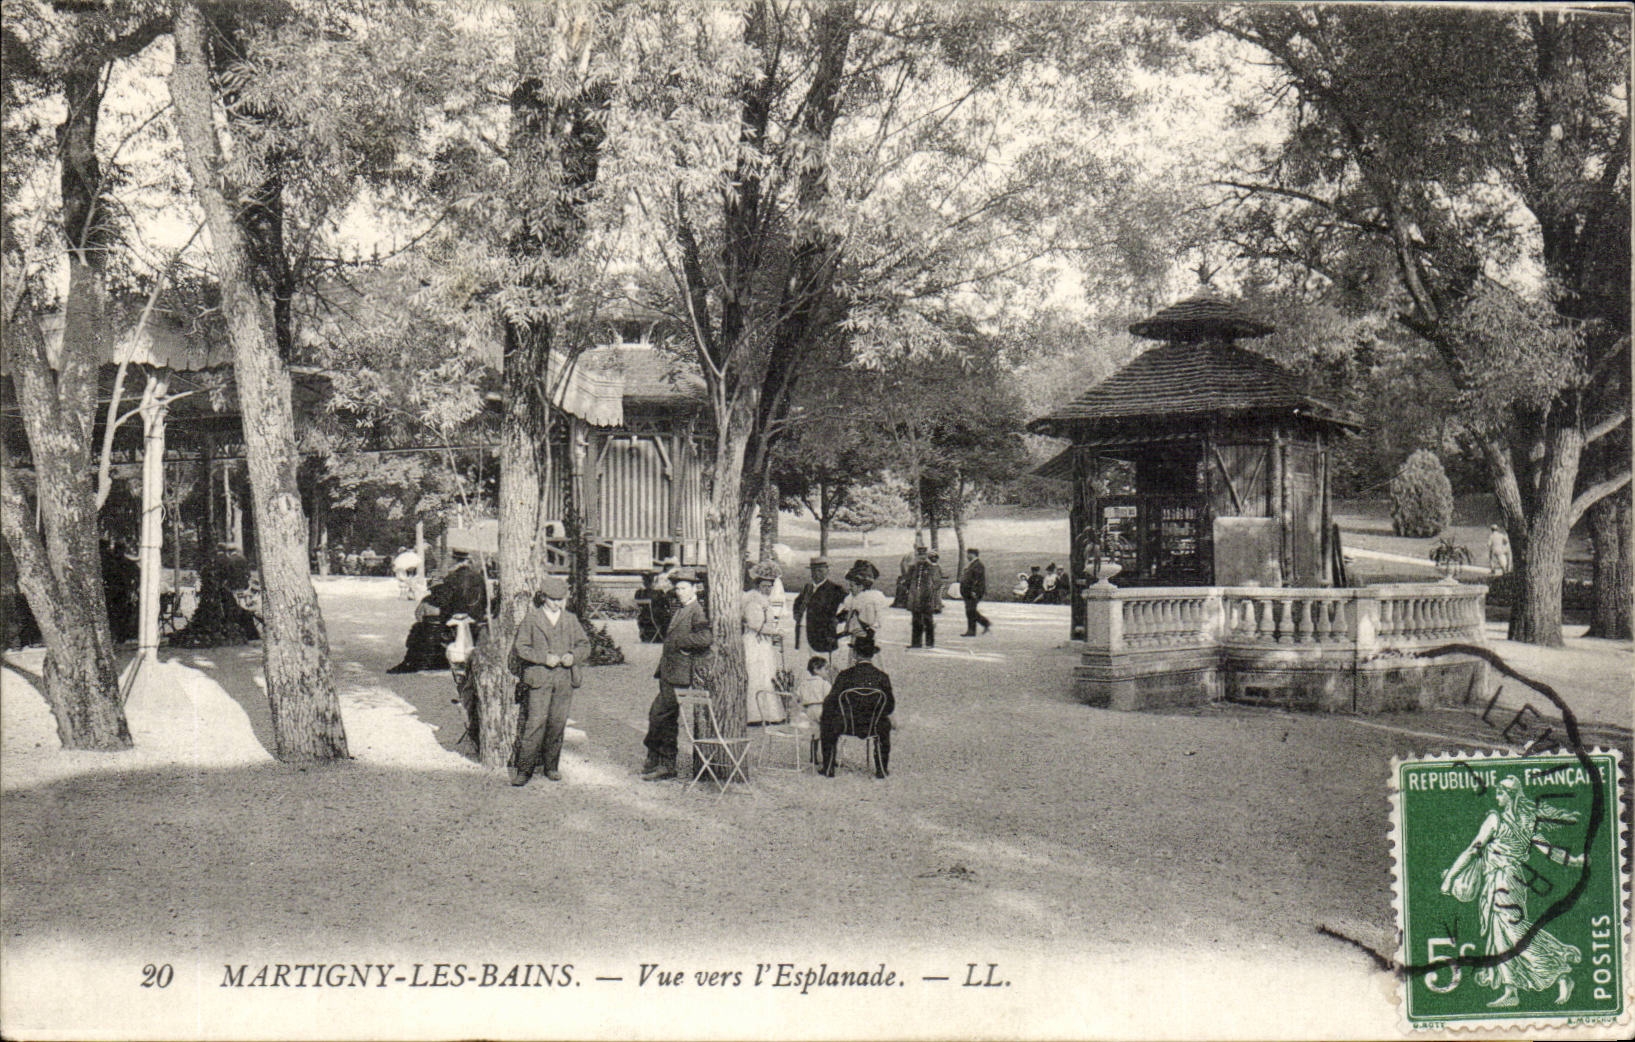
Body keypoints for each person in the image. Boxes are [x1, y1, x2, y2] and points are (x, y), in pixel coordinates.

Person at [1439, 775, 1582, 1007]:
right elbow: (1550, 852)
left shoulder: (1495, 820)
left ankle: (1559, 971)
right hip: (1512, 880)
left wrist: (1450, 878)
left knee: (1512, 933)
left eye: (1500, 793)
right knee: (1502, 934)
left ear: (1510, 795)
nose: (1497, 797)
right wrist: (1573, 861)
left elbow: (1473, 849)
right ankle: (1511, 989)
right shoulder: (1527, 823)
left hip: (1502, 881)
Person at [508, 576, 590, 785]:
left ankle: (551, 766)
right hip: (539, 679)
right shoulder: (532, 619)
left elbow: (584, 645)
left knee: (557, 723)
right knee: (535, 724)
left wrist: (573, 656)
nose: (557, 604)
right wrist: (543, 658)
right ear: (543, 597)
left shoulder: (570, 619)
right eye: (553, 599)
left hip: (564, 679)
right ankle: (524, 770)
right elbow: (521, 648)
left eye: (560, 600)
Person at [642, 568, 712, 781]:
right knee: (665, 718)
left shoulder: (696, 610)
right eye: (678, 588)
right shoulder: (681, 608)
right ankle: (660, 760)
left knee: (660, 715)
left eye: (683, 588)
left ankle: (663, 761)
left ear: (694, 589)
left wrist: (681, 643)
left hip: (680, 673)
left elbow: (705, 638)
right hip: (669, 671)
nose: (679, 592)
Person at [818, 634, 894, 778]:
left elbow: (830, 703)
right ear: (872, 655)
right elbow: (889, 706)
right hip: (873, 725)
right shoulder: (882, 677)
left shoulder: (845, 675)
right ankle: (881, 769)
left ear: (855, 654)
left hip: (847, 724)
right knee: (885, 723)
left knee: (827, 721)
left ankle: (828, 768)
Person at [742, 560, 786, 724]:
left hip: (763, 643)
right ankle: (755, 714)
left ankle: (769, 713)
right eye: (764, 586)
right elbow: (756, 625)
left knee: (767, 674)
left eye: (770, 586)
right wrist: (776, 632)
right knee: (757, 675)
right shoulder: (754, 601)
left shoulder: (764, 600)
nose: (767, 589)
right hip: (754, 642)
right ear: (758, 585)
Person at [792, 557, 847, 653]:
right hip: (803, 631)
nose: (816, 574)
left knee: (820, 660)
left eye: (820, 571)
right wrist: (796, 613)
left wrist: (838, 619)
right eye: (813, 571)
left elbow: (851, 606)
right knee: (803, 658)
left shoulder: (835, 589)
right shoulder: (808, 588)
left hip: (822, 636)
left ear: (827, 571)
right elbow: (797, 602)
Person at [905, 546, 944, 649]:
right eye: (919, 555)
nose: (921, 558)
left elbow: (938, 582)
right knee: (916, 620)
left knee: (928, 620)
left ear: (926, 555)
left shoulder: (931, 567)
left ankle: (929, 642)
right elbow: (908, 580)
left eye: (923, 555)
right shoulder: (913, 567)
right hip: (915, 597)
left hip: (927, 598)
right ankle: (916, 643)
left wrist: (931, 592)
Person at [960, 547, 991, 637]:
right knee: (970, 610)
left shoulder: (978, 565)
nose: (967, 556)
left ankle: (972, 630)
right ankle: (985, 623)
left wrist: (974, 591)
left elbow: (977, 580)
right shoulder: (973, 564)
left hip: (973, 592)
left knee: (970, 610)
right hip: (969, 592)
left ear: (972, 554)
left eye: (968, 554)